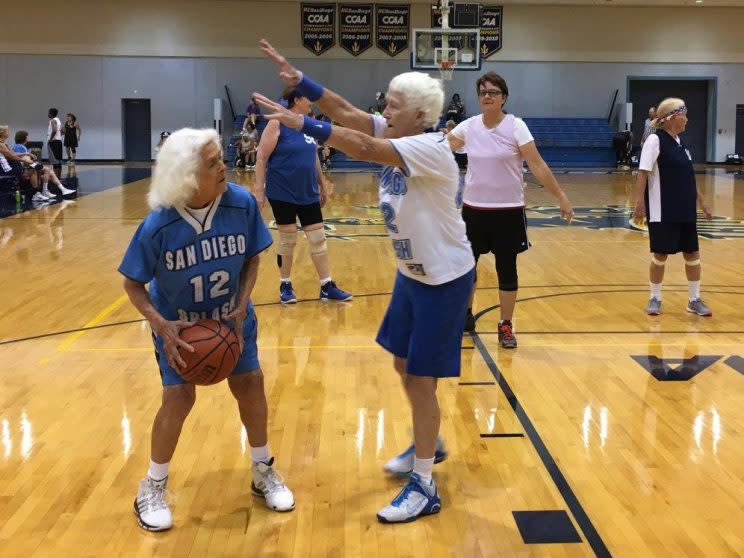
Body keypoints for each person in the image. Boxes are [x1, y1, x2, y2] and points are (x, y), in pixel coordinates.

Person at [258, 39, 475, 524]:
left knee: (421, 378)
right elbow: (351, 115)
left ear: (419, 114)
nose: (384, 110)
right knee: (403, 365)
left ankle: (424, 485)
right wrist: (301, 83)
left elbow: (361, 145)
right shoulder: (402, 129)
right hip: (411, 275)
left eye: (394, 106)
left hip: (444, 279)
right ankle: (429, 442)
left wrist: (301, 122)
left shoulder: (429, 147)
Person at [118, 127, 295, 532]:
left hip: (232, 319)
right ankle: (152, 485)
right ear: (187, 176)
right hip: (179, 328)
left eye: (221, 158)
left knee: (251, 385)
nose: (224, 165)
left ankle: (262, 470)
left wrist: (243, 300)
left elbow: (253, 257)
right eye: (213, 162)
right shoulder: (158, 225)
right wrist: (161, 325)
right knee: (178, 398)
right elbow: (132, 283)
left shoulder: (242, 204)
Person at [447, 71, 574, 346]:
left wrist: (561, 195)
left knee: (507, 268)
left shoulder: (516, 126)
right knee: (467, 267)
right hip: (473, 210)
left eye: (493, 92)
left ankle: (505, 324)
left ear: (503, 97)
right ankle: (465, 314)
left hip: (508, 211)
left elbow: (537, 165)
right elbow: (443, 148)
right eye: (483, 93)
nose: (487, 97)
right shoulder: (468, 126)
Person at [254, 85, 352, 304]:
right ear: (297, 100)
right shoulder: (276, 123)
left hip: (308, 192)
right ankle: (285, 284)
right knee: (288, 241)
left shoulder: (309, 125)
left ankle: (327, 286)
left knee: (318, 239)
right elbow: (261, 158)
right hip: (282, 192)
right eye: (309, 99)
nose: (312, 103)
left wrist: (323, 185)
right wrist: (259, 192)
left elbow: (314, 157)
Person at [632, 98, 713, 317]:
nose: (687, 119)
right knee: (660, 254)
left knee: (692, 253)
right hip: (662, 208)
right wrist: (639, 203)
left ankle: (694, 299)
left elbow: (688, 176)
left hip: (685, 208)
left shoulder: (681, 143)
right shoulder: (654, 141)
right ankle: (655, 297)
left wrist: (702, 201)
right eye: (684, 115)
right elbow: (643, 172)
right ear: (673, 117)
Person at [13, 130, 75, 197]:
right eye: (27, 136)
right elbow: (22, 159)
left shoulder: (20, 146)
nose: (28, 138)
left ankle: (61, 189)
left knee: (50, 172)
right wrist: (31, 159)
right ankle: (48, 191)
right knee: (47, 170)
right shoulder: (18, 146)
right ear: (23, 137)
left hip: (27, 166)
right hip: (24, 168)